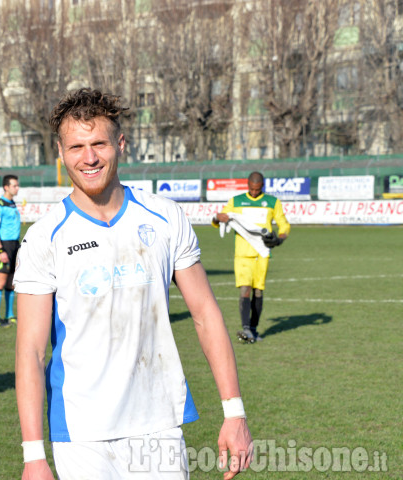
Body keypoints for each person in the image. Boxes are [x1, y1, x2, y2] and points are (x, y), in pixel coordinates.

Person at [14, 88, 252, 479]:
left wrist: (234, 412)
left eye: (99, 144)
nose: (88, 158)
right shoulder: (44, 238)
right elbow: (30, 350)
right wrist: (33, 455)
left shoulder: (164, 218)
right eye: (76, 147)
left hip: (158, 422)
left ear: (120, 144)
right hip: (81, 433)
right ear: (60, 152)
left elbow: (206, 314)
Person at [213, 172, 291, 344]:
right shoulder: (236, 201)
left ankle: (253, 330)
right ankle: (246, 329)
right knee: (245, 289)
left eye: (257, 189)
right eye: (251, 189)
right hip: (242, 254)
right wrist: (218, 218)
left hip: (262, 253)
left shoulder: (272, 202)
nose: (254, 192)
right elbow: (220, 218)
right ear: (247, 185)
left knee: (258, 291)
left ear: (262, 186)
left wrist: (280, 238)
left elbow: (283, 223)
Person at [0, 174, 21, 327]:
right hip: (5, 246)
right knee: (0, 280)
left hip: (15, 245)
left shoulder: (12, 203)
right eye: (14, 185)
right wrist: (1, 250)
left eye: (17, 185)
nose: (17, 188)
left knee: (11, 282)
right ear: (6, 187)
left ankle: (10, 315)